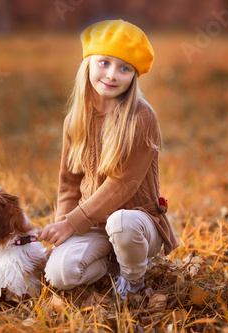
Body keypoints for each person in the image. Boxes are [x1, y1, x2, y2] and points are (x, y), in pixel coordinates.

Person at [38, 19, 179, 298]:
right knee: (59, 274)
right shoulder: (75, 121)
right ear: (88, 64)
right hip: (93, 226)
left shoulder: (141, 116)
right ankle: (114, 264)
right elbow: (69, 184)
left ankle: (133, 279)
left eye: (124, 68)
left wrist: (71, 223)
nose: (112, 75)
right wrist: (63, 229)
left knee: (121, 223)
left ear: (133, 76)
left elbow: (123, 184)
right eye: (104, 62)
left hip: (138, 223)